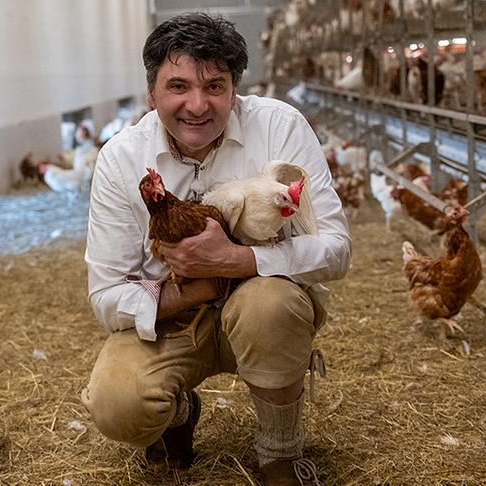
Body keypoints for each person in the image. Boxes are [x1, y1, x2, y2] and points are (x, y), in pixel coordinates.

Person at [80, 12, 351, 485]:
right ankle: (179, 410)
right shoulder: (122, 158)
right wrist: (197, 287)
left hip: (263, 307)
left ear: (235, 89)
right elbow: (105, 296)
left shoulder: (280, 128)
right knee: (117, 404)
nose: (197, 105)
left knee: (269, 302)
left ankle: (280, 455)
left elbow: (336, 249)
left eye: (215, 86)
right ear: (151, 93)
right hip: (176, 314)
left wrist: (239, 261)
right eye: (178, 86)